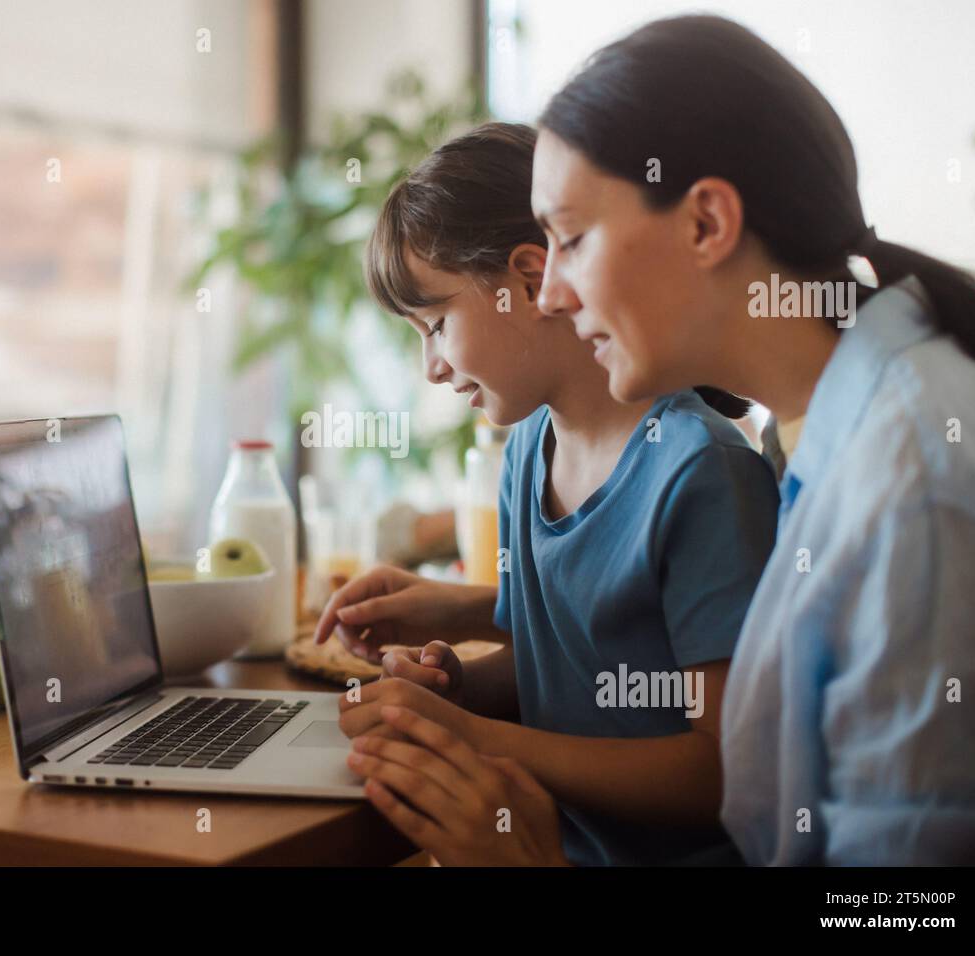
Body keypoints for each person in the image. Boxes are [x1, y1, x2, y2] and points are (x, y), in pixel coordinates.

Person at [523, 14, 975, 864]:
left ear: (707, 221)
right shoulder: (806, 435)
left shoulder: (913, 481)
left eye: (571, 238)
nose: (548, 296)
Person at [317, 121, 780, 865]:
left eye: (436, 324)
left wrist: (481, 739)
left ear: (529, 284)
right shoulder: (530, 448)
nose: (430, 367)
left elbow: (721, 768)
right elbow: (571, 680)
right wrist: (459, 686)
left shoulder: (700, 474)